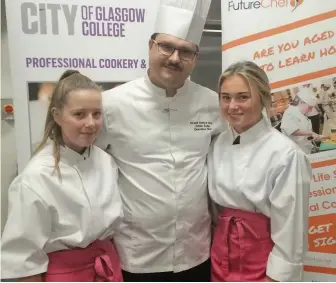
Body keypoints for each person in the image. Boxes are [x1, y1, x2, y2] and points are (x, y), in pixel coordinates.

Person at [95, 0, 224, 281]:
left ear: (196, 57)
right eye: (167, 47)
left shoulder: (212, 104)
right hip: (138, 256)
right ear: (151, 46)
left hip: (197, 252)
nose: (175, 58)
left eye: (186, 51)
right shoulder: (111, 105)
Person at [1, 70, 123, 282]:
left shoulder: (106, 161)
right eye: (79, 114)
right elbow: (21, 260)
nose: (91, 123)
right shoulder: (37, 177)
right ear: (57, 115)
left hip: (107, 269)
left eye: (97, 113)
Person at [208, 61, 311, 282]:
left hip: (261, 260)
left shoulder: (285, 154)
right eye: (225, 97)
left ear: (262, 97)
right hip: (221, 255)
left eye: (242, 97)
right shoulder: (217, 143)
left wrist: (274, 278)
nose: (232, 105)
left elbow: (291, 229)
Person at [281, 87, 325, 154]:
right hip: (298, 151)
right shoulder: (290, 112)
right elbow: (291, 130)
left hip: (306, 149)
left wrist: (315, 137)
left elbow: (304, 133)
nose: (310, 110)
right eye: (309, 107)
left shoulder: (300, 114)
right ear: (302, 102)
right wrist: (311, 133)